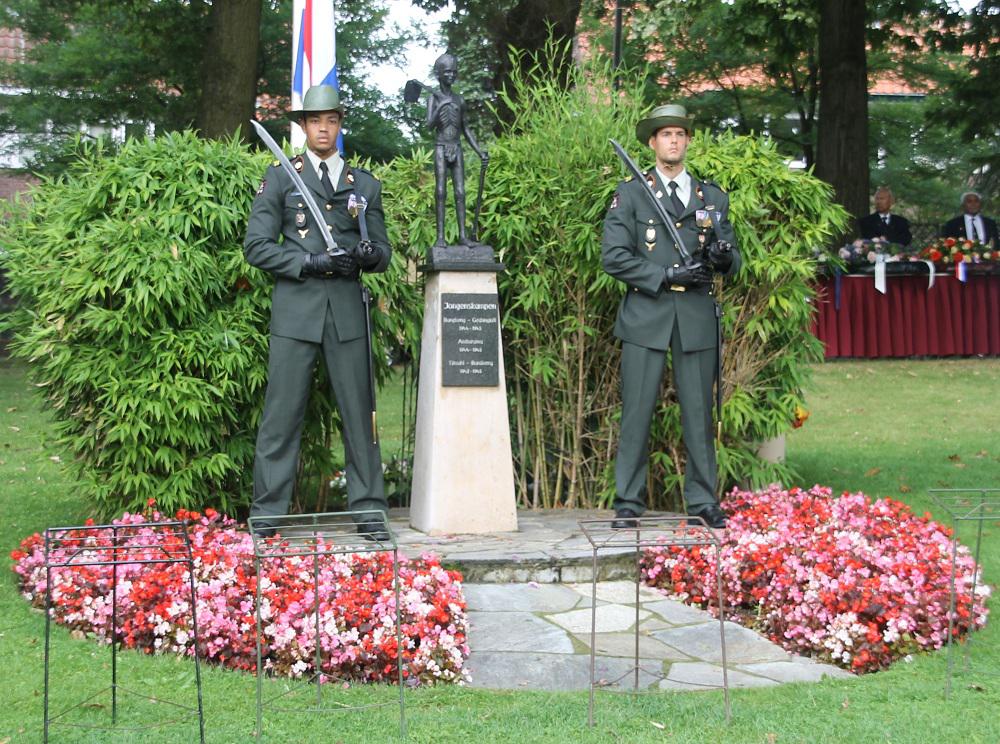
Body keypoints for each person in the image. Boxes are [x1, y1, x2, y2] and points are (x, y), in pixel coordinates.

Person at [244, 85, 390, 540]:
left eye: (330, 120)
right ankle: (267, 514)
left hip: (347, 310)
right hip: (297, 312)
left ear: (339, 124)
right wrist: (308, 262)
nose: (323, 128)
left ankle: (369, 512)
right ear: (303, 126)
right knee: (281, 416)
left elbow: (383, 251)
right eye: (314, 121)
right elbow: (257, 247)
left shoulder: (363, 184)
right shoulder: (283, 177)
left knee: (358, 413)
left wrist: (367, 255)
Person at [602, 104, 741, 530]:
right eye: (665, 134)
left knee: (699, 413)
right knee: (638, 411)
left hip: (696, 315)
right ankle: (628, 500)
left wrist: (722, 256)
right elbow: (614, 257)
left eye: (680, 134)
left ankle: (702, 500)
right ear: (652, 142)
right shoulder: (631, 194)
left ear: (688, 141)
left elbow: (734, 261)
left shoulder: (711, 197)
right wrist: (662, 274)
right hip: (648, 313)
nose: (674, 141)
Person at [426, 53, 488, 247]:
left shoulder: (459, 100)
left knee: (460, 192)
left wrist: (479, 152)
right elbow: (429, 125)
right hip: (441, 146)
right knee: (441, 191)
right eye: (447, 72)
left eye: (454, 71)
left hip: (457, 146)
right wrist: (440, 106)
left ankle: (463, 236)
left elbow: (466, 129)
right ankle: (440, 237)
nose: (451, 75)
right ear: (439, 74)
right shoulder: (433, 99)